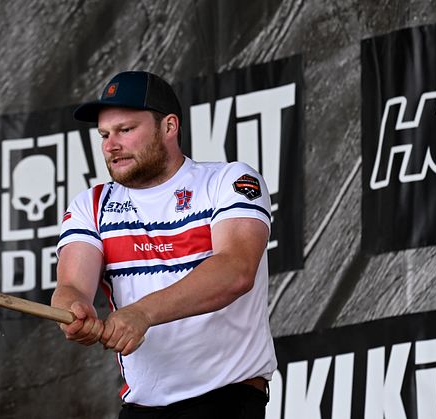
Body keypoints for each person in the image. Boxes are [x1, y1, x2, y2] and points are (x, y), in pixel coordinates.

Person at [51, 70, 277, 419]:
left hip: (227, 400)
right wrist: (74, 310)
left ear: (169, 127)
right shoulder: (90, 206)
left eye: (126, 130)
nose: (111, 145)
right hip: (142, 408)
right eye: (105, 134)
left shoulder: (229, 181)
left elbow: (236, 270)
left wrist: (143, 313)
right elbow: (70, 286)